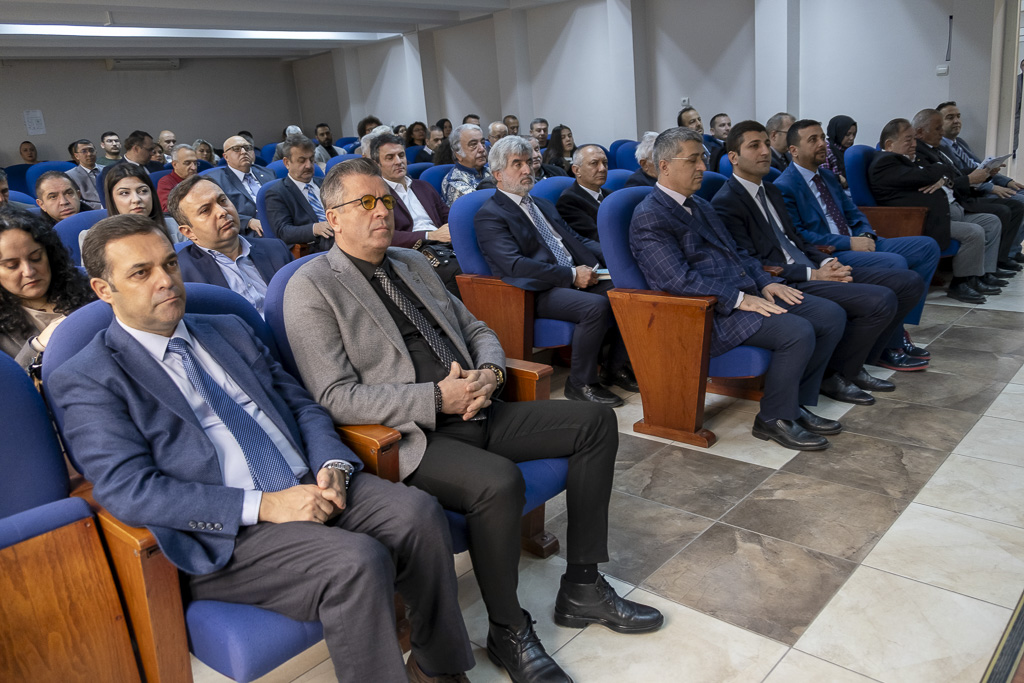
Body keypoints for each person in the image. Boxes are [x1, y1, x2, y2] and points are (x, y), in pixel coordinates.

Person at [284, 157, 663, 683]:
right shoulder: (312, 285)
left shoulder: (412, 262)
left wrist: (491, 372)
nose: (381, 211)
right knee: (498, 481)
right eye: (365, 203)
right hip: (415, 436)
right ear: (333, 217)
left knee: (594, 424)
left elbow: (477, 327)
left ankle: (582, 586)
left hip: (479, 406)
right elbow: (335, 396)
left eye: (385, 200)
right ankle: (509, 629)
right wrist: (435, 398)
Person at [51, 213, 474, 683]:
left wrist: (332, 463)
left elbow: (303, 406)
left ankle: (439, 670)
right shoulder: (87, 377)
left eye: (169, 263)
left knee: (419, 514)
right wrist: (267, 505)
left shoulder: (228, 329)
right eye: (140, 272)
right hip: (229, 531)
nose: (165, 280)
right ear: (103, 289)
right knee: (356, 562)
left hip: (310, 481)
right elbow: (130, 490)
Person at [630, 127, 845, 450]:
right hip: (707, 313)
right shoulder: (649, 216)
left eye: (702, 158)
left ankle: (794, 404)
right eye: (693, 160)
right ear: (665, 166)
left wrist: (765, 282)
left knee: (830, 315)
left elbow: (738, 253)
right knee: (797, 332)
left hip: (744, 293)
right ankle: (773, 418)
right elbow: (677, 280)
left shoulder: (700, 205)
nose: (703, 167)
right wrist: (741, 298)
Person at [711, 120, 927, 401]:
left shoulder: (771, 190)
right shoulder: (726, 202)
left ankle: (853, 364)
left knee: (909, 282)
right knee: (879, 300)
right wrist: (812, 274)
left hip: (812, 266)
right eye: (754, 146)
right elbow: (749, 262)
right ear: (733, 157)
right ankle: (837, 374)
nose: (764, 151)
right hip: (786, 279)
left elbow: (797, 241)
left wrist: (826, 263)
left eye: (765, 143)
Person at [476, 136, 636, 406]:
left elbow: (576, 240)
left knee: (629, 292)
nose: (527, 169)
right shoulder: (490, 215)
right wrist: (571, 275)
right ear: (498, 174)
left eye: (528, 162)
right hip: (535, 289)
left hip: (569, 276)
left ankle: (615, 367)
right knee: (595, 307)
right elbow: (515, 265)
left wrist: (619, 258)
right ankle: (580, 383)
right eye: (517, 164)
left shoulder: (541, 204)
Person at [774, 119, 940, 369]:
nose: (822, 144)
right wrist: (850, 242)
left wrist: (867, 235)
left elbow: (854, 212)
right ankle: (889, 346)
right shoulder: (783, 186)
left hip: (861, 241)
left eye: (822, 138)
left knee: (927, 247)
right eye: (813, 140)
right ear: (794, 150)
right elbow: (800, 236)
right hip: (832, 252)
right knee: (895, 263)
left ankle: (898, 323)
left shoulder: (827, 176)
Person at [870, 117, 1004, 304]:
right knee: (973, 232)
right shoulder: (885, 163)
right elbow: (926, 174)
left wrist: (941, 178)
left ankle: (979, 276)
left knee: (990, 222)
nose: (914, 144)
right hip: (917, 221)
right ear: (889, 144)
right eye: (908, 140)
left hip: (939, 214)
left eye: (914, 139)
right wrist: (940, 172)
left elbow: (937, 173)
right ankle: (961, 284)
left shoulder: (904, 160)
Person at [914, 108, 1024, 274]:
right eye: (938, 128)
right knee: (1007, 209)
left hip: (965, 193)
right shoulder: (921, 152)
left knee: (1012, 207)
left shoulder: (941, 147)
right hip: (958, 199)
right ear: (920, 132)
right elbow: (943, 181)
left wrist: (987, 173)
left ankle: (994, 265)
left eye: (958, 116)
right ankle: (991, 266)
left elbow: (959, 172)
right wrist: (974, 181)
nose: (942, 132)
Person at [168, 176, 291, 316]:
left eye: (222, 201)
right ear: (189, 232)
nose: (222, 211)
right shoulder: (181, 276)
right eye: (205, 210)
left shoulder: (276, 249)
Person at [0, 206, 94, 369]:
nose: (29, 272)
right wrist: (37, 347)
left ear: (49, 254)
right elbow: (9, 382)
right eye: (12, 266)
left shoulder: (90, 285)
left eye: (36, 258)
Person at [370, 133, 462, 297]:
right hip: (412, 253)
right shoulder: (376, 196)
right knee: (458, 271)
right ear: (377, 164)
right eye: (390, 158)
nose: (398, 161)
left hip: (445, 245)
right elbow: (385, 235)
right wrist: (429, 235)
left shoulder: (423, 186)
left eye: (401, 155)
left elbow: (448, 216)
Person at [264, 135, 335, 254]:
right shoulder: (277, 193)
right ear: (287, 163)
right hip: (316, 246)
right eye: (302, 161)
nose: (309, 165)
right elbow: (283, 231)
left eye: (311, 159)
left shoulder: (326, 183)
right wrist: (315, 228)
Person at [203, 135, 275, 237]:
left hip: (279, 223)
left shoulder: (268, 173)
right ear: (226, 157)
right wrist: (248, 222)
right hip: (248, 232)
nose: (244, 152)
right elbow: (217, 212)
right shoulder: (215, 180)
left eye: (247, 148)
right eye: (236, 149)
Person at [102, 162, 185, 245]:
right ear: (112, 199)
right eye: (124, 193)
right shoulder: (102, 240)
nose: (136, 199)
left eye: (143, 191)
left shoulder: (175, 226)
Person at [555, 145, 609, 241]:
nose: (602, 169)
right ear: (576, 170)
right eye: (594, 163)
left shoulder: (611, 195)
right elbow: (595, 237)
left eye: (605, 163)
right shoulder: (568, 202)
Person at [441, 123, 489, 205]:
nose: (482, 149)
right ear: (458, 154)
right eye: (473, 144)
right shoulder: (454, 182)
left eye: (483, 142)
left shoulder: (491, 170)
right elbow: (484, 207)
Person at [157, 143, 199, 211]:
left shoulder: (200, 180)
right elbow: (167, 210)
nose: (194, 168)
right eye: (187, 163)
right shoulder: (165, 182)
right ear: (175, 165)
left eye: (195, 163)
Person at [66, 139, 103, 210]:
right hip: (89, 210)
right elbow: (76, 200)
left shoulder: (107, 170)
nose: (89, 154)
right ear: (76, 156)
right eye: (84, 151)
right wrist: (102, 207)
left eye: (91, 150)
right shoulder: (69, 176)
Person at [824, 116, 857, 188]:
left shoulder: (850, 150)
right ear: (838, 132)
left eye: (854, 134)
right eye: (847, 134)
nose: (852, 138)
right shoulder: (826, 150)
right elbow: (824, 177)